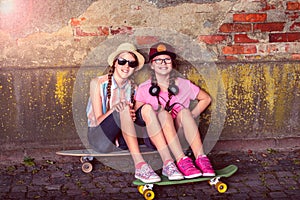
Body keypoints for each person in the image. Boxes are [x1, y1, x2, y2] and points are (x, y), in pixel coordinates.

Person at [86, 42, 184, 183]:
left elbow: (133, 118)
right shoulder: (98, 83)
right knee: (124, 107)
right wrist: (116, 109)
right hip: (100, 138)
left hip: (121, 140)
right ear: (114, 63)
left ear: (135, 69)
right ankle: (140, 165)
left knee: (147, 108)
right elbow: (97, 121)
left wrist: (130, 115)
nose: (126, 66)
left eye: (131, 64)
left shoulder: (134, 88)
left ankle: (168, 163)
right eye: (122, 61)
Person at [135, 42, 215, 178]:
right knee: (164, 115)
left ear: (172, 64)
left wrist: (191, 115)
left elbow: (206, 99)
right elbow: (138, 116)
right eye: (158, 60)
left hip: (180, 135)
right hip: (156, 138)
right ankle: (181, 160)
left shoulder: (183, 84)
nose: (163, 63)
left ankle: (201, 158)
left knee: (184, 112)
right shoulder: (143, 88)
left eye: (167, 59)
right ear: (152, 65)